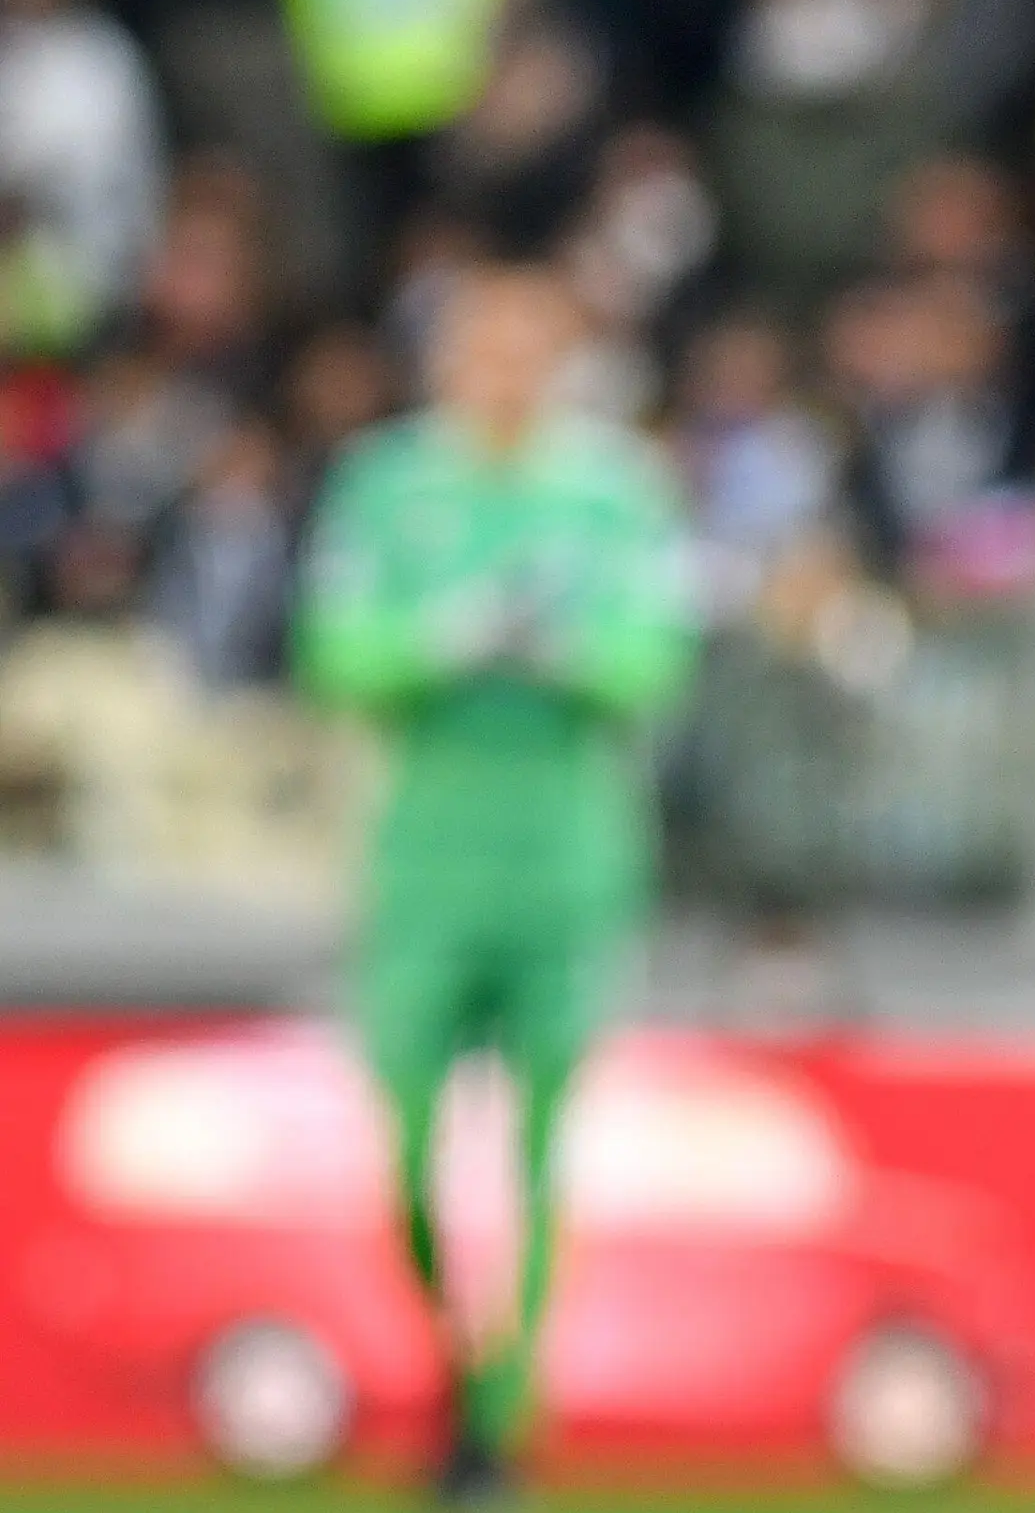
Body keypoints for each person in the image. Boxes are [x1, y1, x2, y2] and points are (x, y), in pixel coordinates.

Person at [297, 266, 697, 1502]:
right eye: (484, 350)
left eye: (533, 350)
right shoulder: (387, 483)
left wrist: (563, 649)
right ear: (448, 361)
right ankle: (450, 1360)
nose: (507, 373)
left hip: (565, 864)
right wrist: (447, 637)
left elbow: (655, 663)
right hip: (424, 865)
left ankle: (496, 1423)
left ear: (565, 361)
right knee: (404, 1144)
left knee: (535, 1155)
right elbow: (334, 657)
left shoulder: (617, 492)